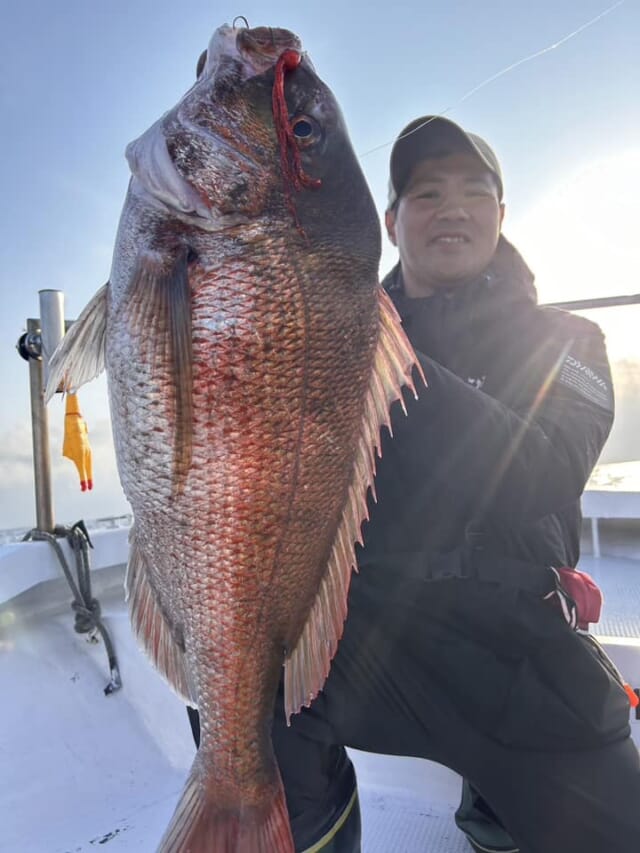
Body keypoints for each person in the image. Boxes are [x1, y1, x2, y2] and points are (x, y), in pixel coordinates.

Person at [189, 116, 640, 852]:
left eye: (473, 190)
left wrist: (379, 350)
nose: (452, 207)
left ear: (501, 214)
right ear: (391, 222)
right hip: (374, 637)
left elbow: (542, 473)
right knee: (245, 687)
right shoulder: (325, 342)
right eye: (426, 193)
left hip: (521, 645)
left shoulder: (569, 342)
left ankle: (498, 808)